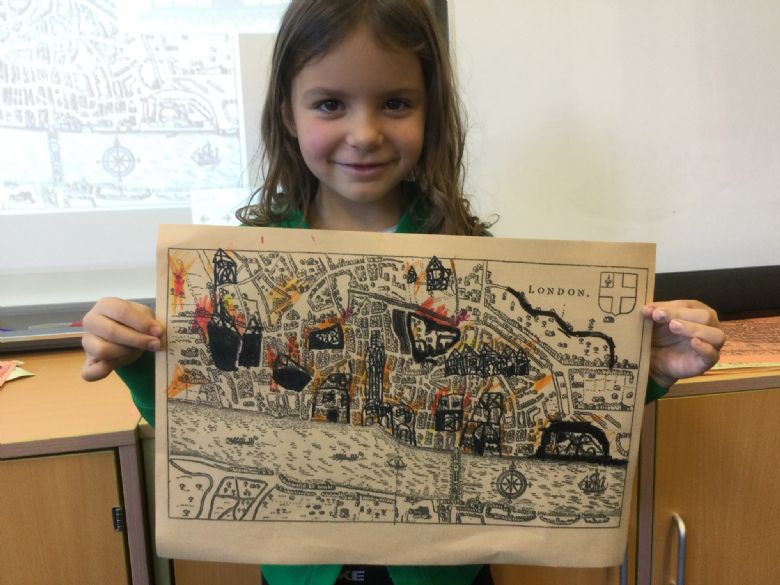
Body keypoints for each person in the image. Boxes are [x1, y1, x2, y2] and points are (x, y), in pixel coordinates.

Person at [81, 1, 725, 584]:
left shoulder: (473, 259)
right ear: (286, 113)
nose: (364, 133)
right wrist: (137, 359)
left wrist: (647, 370)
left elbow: (542, 406)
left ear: (430, 112)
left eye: (395, 103)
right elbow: (204, 415)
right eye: (329, 104)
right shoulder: (243, 266)